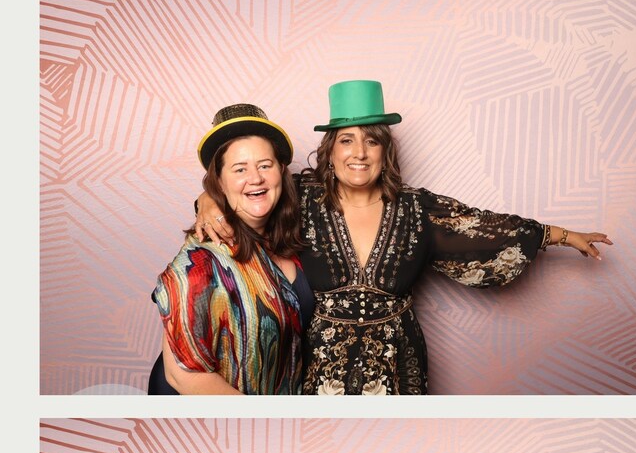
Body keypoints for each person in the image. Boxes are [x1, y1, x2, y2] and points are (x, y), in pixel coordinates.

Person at [194, 79, 612, 396]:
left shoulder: (417, 208)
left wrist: (559, 235)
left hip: (399, 367)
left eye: (371, 140)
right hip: (319, 370)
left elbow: (483, 228)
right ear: (330, 150)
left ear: (385, 151)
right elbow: (248, 187)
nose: (359, 152)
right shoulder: (302, 198)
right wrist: (207, 201)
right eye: (347, 140)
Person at [149, 103, 313, 395]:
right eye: (240, 169)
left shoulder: (294, 234)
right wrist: (264, 419)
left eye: (265, 165)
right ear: (219, 183)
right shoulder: (200, 261)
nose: (256, 177)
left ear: (281, 171)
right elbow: (183, 377)